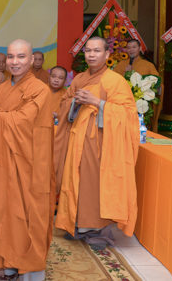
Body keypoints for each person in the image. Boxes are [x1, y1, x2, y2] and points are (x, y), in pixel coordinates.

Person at [0, 39, 55, 281]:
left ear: (32, 59)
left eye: (21, 57)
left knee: (25, 214)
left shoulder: (40, 89)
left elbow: (23, 122)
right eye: (11, 57)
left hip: (28, 162)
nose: (15, 62)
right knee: (3, 212)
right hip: (3, 161)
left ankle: (28, 267)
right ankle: (6, 262)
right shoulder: (2, 89)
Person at [55, 37, 139, 250]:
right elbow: (64, 103)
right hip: (77, 139)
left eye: (96, 51)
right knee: (75, 181)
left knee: (94, 185)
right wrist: (74, 102)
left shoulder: (116, 81)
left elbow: (128, 114)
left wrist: (97, 102)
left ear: (107, 54)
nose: (91, 55)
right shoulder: (80, 78)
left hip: (101, 141)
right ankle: (76, 225)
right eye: (88, 51)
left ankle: (98, 232)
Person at [114, 39, 163, 131]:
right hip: (123, 104)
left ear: (140, 48)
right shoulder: (121, 65)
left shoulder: (148, 65)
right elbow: (112, 83)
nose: (131, 50)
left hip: (142, 105)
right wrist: (125, 74)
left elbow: (158, 84)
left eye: (134, 47)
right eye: (129, 48)